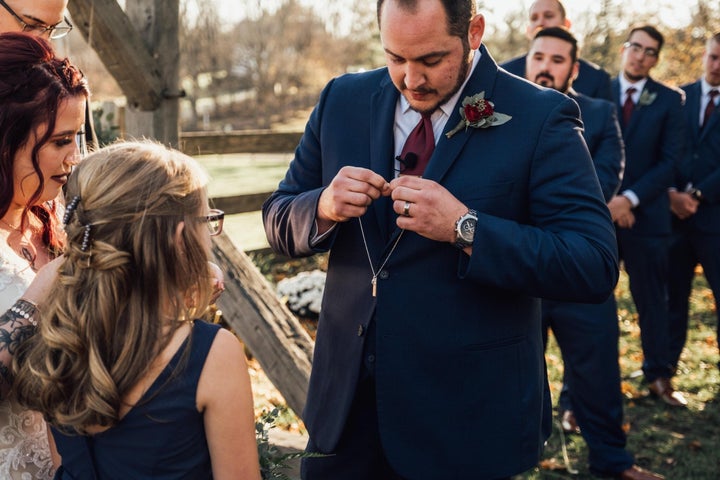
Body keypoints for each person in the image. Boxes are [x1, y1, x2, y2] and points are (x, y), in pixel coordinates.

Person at [262, 0, 618, 478]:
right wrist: (322, 206)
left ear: (473, 31)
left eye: (431, 60)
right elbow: (278, 216)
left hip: (466, 416)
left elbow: (592, 263)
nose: (411, 79)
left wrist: (465, 227)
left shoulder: (540, 116)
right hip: (345, 413)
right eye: (395, 58)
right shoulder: (341, 99)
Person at [8, 141, 261, 480]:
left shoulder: (58, 337)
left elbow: (62, 468)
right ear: (180, 237)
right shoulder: (212, 354)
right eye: (206, 221)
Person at [526, 26, 664, 480]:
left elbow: (600, 184)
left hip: (576, 264)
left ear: (574, 69)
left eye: (557, 60)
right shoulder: (497, 109)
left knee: (599, 365)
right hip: (515, 265)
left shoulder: (601, 116)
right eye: (539, 57)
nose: (545, 67)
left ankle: (612, 460)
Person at [0, 31, 88, 479]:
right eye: (59, 142)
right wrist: (35, 298)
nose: (75, 158)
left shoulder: (59, 221)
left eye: (78, 138)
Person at [609, 25, 687, 407]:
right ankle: (584, 391)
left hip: (647, 218)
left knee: (653, 302)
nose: (640, 55)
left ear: (657, 59)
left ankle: (659, 376)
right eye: (636, 47)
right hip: (601, 215)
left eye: (650, 51)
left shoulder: (671, 100)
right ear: (624, 49)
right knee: (591, 305)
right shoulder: (596, 92)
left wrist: (631, 199)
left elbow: (670, 162)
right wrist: (610, 201)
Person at [668, 32, 720, 374]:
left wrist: (698, 194)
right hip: (671, 218)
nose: (717, 66)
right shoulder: (678, 98)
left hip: (715, 219)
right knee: (672, 300)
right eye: (714, 57)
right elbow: (662, 150)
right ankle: (664, 371)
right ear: (704, 55)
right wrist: (672, 193)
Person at [0, 0, 97, 150]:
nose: (44, 42)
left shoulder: (61, 84)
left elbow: (84, 169)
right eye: (31, 25)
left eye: (52, 29)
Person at [500, 0, 612, 101]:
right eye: (534, 18)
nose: (540, 22)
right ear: (528, 29)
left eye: (548, 16)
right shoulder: (503, 73)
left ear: (566, 24)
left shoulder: (597, 78)